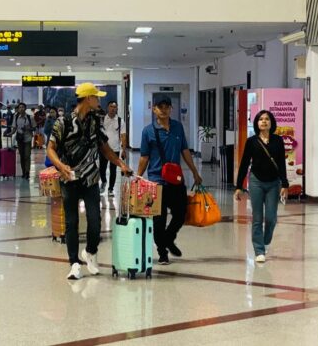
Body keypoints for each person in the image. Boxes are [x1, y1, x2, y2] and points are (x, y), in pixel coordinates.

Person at [48, 83, 132, 281]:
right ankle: (74, 264)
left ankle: (90, 252)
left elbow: (103, 147)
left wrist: (121, 164)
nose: (99, 100)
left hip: (91, 178)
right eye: (96, 97)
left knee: (95, 220)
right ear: (87, 98)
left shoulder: (95, 121)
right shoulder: (63, 122)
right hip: (69, 179)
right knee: (72, 222)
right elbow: (50, 148)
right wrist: (61, 166)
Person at [138, 95, 203, 265]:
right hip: (156, 181)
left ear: (171, 109)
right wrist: (138, 177)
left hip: (176, 179)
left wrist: (195, 172)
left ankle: (167, 239)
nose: (164, 109)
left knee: (180, 214)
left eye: (167, 106)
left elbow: (185, 150)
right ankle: (162, 252)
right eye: (160, 106)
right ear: (154, 109)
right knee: (159, 220)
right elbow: (144, 157)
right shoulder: (148, 131)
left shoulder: (178, 127)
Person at [235, 110, 288, 263]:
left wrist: (285, 183)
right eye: (261, 119)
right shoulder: (251, 141)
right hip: (256, 181)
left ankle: (265, 241)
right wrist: (239, 186)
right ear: (257, 123)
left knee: (271, 218)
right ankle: (259, 250)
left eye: (267, 119)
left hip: (273, 183)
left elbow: (281, 164)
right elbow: (244, 163)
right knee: (257, 218)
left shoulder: (278, 140)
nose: (264, 121)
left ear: (271, 123)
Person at [99, 100, 128, 197]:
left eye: (114, 107)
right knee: (102, 169)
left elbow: (123, 136)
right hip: (103, 149)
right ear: (107, 108)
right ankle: (103, 181)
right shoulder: (102, 120)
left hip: (115, 149)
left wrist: (124, 150)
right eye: (111, 106)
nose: (112, 108)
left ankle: (110, 189)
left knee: (113, 170)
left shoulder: (120, 121)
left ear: (117, 109)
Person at [11, 102, 35, 178]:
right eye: (20, 107)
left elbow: (34, 127)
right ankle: (23, 172)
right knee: (22, 156)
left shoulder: (30, 117)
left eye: (22, 107)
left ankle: (27, 172)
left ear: (25, 108)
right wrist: (10, 133)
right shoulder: (16, 116)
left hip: (27, 138)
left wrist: (28, 128)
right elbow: (14, 128)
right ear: (18, 109)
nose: (21, 109)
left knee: (27, 156)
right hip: (20, 139)